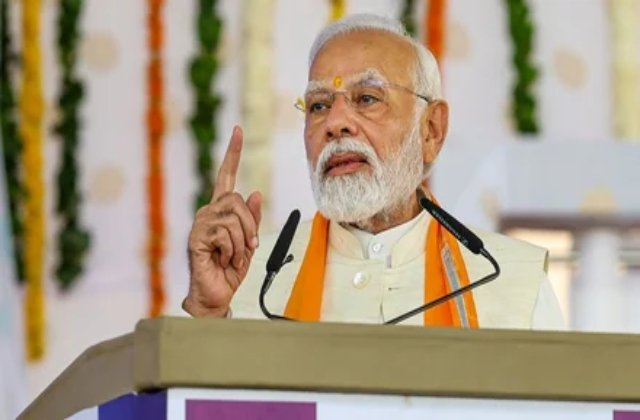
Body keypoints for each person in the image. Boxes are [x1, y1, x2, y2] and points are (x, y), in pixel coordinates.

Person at [183, 14, 565, 329]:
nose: (335, 123)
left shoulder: (514, 281)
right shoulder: (248, 275)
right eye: (318, 105)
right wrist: (209, 314)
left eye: (367, 98)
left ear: (431, 130)